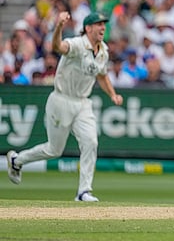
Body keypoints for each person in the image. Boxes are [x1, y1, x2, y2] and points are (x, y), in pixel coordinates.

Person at [6, 11, 124, 202]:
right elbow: (57, 46)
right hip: (61, 100)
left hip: (83, 103)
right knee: (54, 150)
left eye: (104, 24)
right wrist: (59, 26)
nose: (103, 28)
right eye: (99, 24)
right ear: (88, 28)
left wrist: (112, 94)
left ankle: (84, 191)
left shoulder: (103, 50)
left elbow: (102, 75)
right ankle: (16, 160)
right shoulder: (78, 44)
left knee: (91, 142)